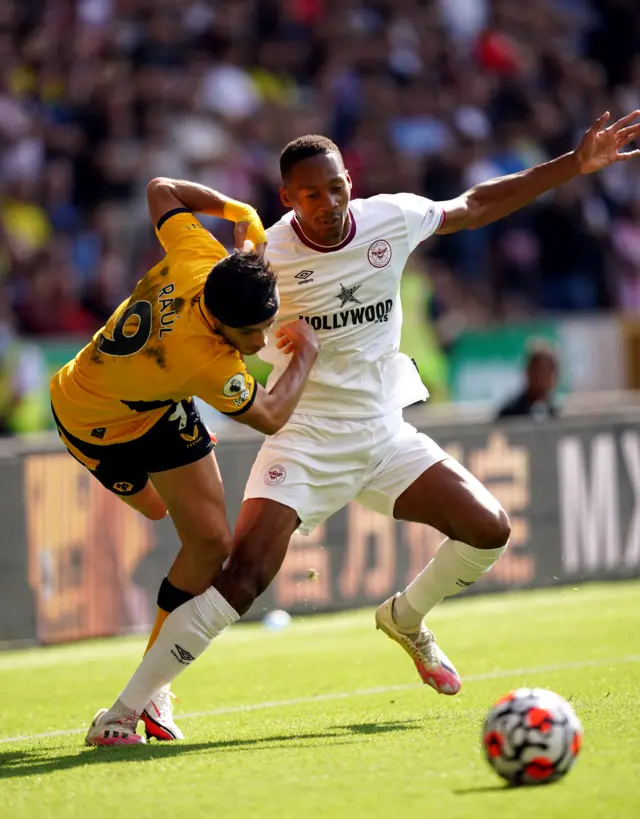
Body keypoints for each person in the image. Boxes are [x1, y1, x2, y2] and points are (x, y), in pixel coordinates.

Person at [87, 109, 640, 746]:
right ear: (287, 199)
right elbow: (210, 321)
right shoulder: (265, 255)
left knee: (488, 531)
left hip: (382, 432)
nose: (329, 204)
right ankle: (123, 711)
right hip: (305, 437)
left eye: (337, 187)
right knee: (242, 579)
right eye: (311, 195)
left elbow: (475, 203)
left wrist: (574, 163)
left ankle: (407, 617)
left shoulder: (391, 218)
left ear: (350, 179)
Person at [50, 177, 320, 746]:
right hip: (89, 420)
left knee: (209, 544)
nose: (262, 337)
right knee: (152, 511)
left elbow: (159, 190)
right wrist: (305, 359)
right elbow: (271, 415)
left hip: (148, 403)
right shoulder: (207, 362)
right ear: (220, 324)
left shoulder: (202, 255)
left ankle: (150, 688)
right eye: (252, 333)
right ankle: (152, 683)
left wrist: (235, 209)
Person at [497, 342, 560, 421]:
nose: (546, 376)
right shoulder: (510, 412)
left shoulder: (554, 411)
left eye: (551, 370)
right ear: (529, 371)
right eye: (540, 370)